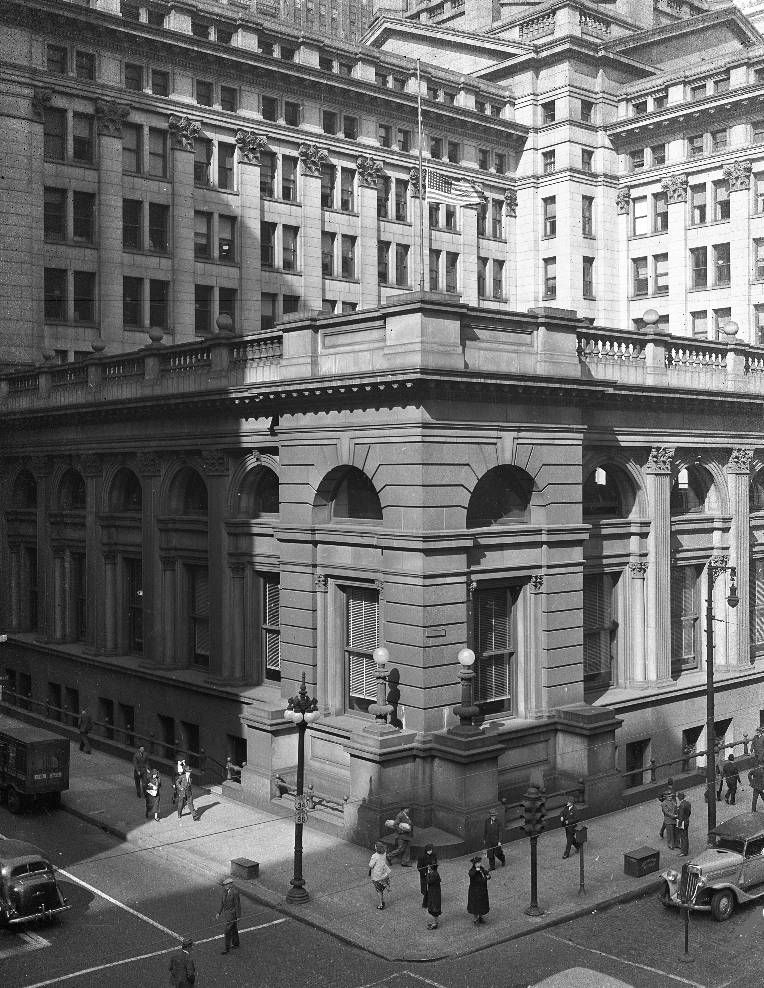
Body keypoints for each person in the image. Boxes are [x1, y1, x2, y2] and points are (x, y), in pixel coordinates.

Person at [216, 876, 241, 954]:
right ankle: (236, 943)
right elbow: (222, 903)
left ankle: (226, 949)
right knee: (234, 929)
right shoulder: (224, 891)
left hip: (232, 915)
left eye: (226, 885)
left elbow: (237, 905)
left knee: (227, 932)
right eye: (224, 885)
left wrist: (238, 916)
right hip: (227, 914)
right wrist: (218, 912)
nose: (225, 886)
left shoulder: (235, 892)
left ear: (231, 884)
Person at [467, 854, 490, 925]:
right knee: (475, 905)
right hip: (475, 892)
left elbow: (486, 873)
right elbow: (471, 874)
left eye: (479, 862)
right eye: (477, 863)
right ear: (474, 864)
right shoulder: (472, 871)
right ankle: (475, 919)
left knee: (482, 904)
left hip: (482, 890)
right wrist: (477, 871)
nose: (479, 864)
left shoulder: (481, 868)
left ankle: (480, 917)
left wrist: (488, 876)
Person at [368, 840, 392, 910]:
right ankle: (386, 886)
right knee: (384, 882)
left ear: (376, 848)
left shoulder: (374, 856)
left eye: (375, 846)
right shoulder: (384, 853)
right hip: (384, 872)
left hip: (377, 875)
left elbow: (370, 865)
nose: (374, 846)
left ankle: (381, 904)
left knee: (379, 890)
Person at [425, 862, 442, 929]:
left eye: (429, 867)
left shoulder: (434, 874)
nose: (428, 867)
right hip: (433, 892)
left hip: (434, 893)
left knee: (434, 908)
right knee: (434, 907)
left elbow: (428, 881)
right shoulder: (434, 873)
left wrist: (427, 874)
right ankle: (435, 922)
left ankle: (435, 924)